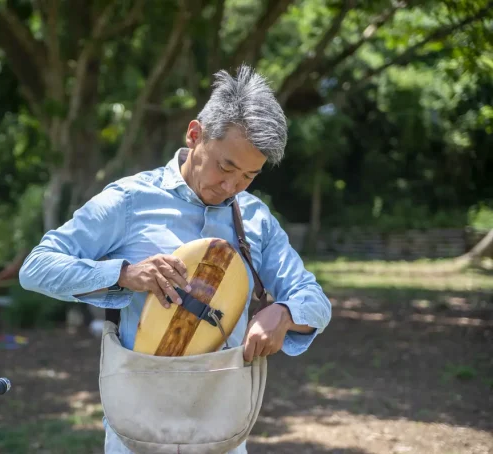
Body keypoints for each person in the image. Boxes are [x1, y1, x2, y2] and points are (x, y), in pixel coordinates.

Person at [19, 64, 332, 453]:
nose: (231, 186)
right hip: (138, 424)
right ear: (195, 134)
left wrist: (284, 313)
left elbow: (314, 298)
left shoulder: (256, 218)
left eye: (249, 176)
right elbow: (37, 268)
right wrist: (125, 274)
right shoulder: (130, 201)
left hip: (223, 427)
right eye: (225, 166)